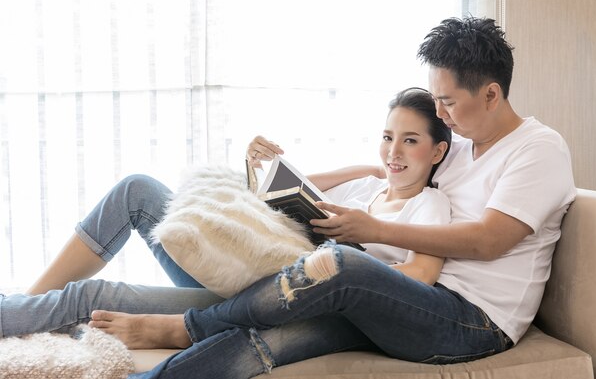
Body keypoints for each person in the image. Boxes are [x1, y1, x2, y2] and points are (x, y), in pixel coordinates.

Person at [90, 15, 576, 377]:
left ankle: (185, 327)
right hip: (410, 296)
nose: (441, 113)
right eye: (438, 100)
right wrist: (302, 179)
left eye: (448, 102)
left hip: (471, 321)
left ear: (491, 95)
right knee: (282, 331)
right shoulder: (459, 143)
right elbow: (396, 169)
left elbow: (491, 240)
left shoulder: (538, 149)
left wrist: (373, 231)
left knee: (339, 263)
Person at [0, 87, 451, 344]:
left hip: (267, 295)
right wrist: (260, 164)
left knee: (91, 295)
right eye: (388, 136)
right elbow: (281, 192)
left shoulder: (430, 205)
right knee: (136, 189)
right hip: (238, 264)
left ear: (438, 150)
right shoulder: (367, 186)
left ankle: (16, 317)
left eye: (410, 141)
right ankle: (24, 307)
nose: (394, 151)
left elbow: (420, 277)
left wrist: (363, 238)